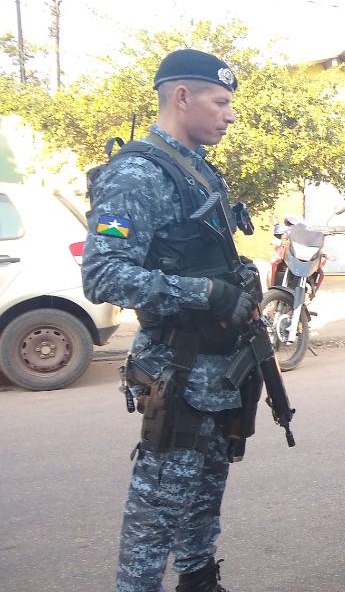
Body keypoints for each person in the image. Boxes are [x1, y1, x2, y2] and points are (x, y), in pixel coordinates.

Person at [82, 49, 257, 592]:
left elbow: (205, 250)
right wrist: (206, 292)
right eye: (221, 102)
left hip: (218, 371)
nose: (230, 115)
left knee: (206, 486)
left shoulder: (197, 169)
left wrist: (241, 276)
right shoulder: (134, 175)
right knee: (157, 507)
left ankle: (199, 579)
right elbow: (103, 274)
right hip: (178, 373)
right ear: (183, 97)